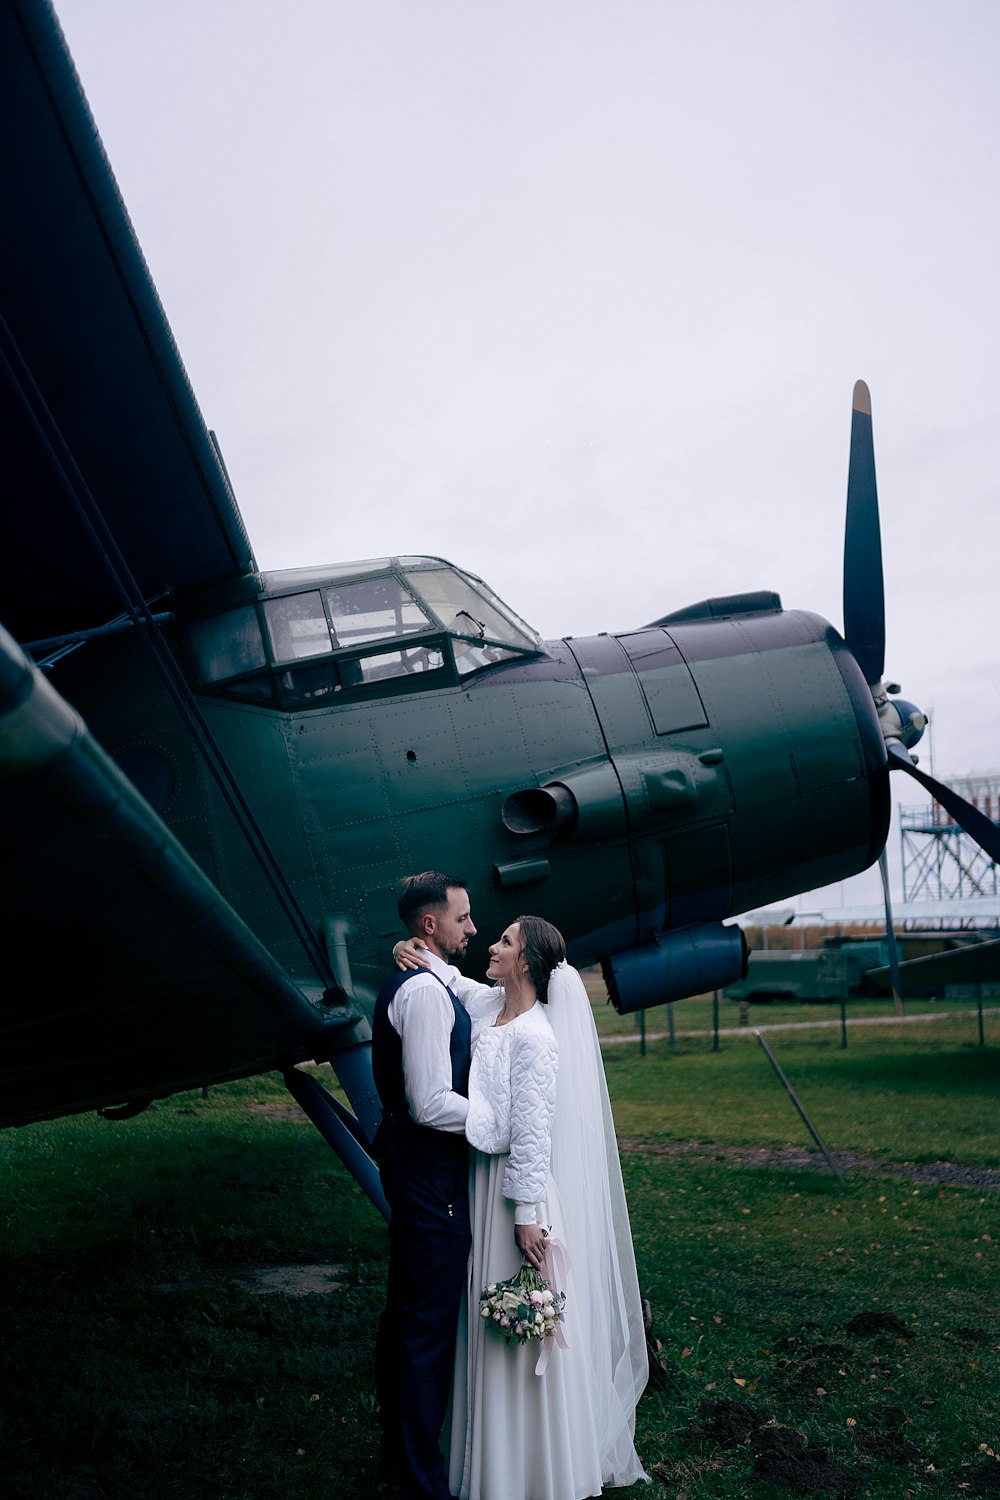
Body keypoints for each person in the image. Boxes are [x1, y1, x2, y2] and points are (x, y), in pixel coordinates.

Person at [393, 915, 648, 1500]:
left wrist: (526, 1214)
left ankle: (532, 1472)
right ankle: (486, 1462)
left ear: (527, 962)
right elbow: (451, 979)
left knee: (517, 1325)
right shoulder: (489, 1006)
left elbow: (533, 1135)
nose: (492, 945)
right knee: (486, 1320)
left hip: (514, 1194)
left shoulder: (536, 1037)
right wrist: (411, 948)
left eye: (505, 942)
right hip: (479, 1182)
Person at [372, 872, 480, 1500]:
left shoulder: (438, 981)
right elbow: (431, 1103)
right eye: (463, 918)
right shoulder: (424, 995)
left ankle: (398, 1458)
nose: (472, 928)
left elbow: (486, 997)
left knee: (409, 1314)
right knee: (426, 1327)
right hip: (427, 1168)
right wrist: (500, 1120)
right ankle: (419, 1483)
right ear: (429, 926)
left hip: (421, 1166)